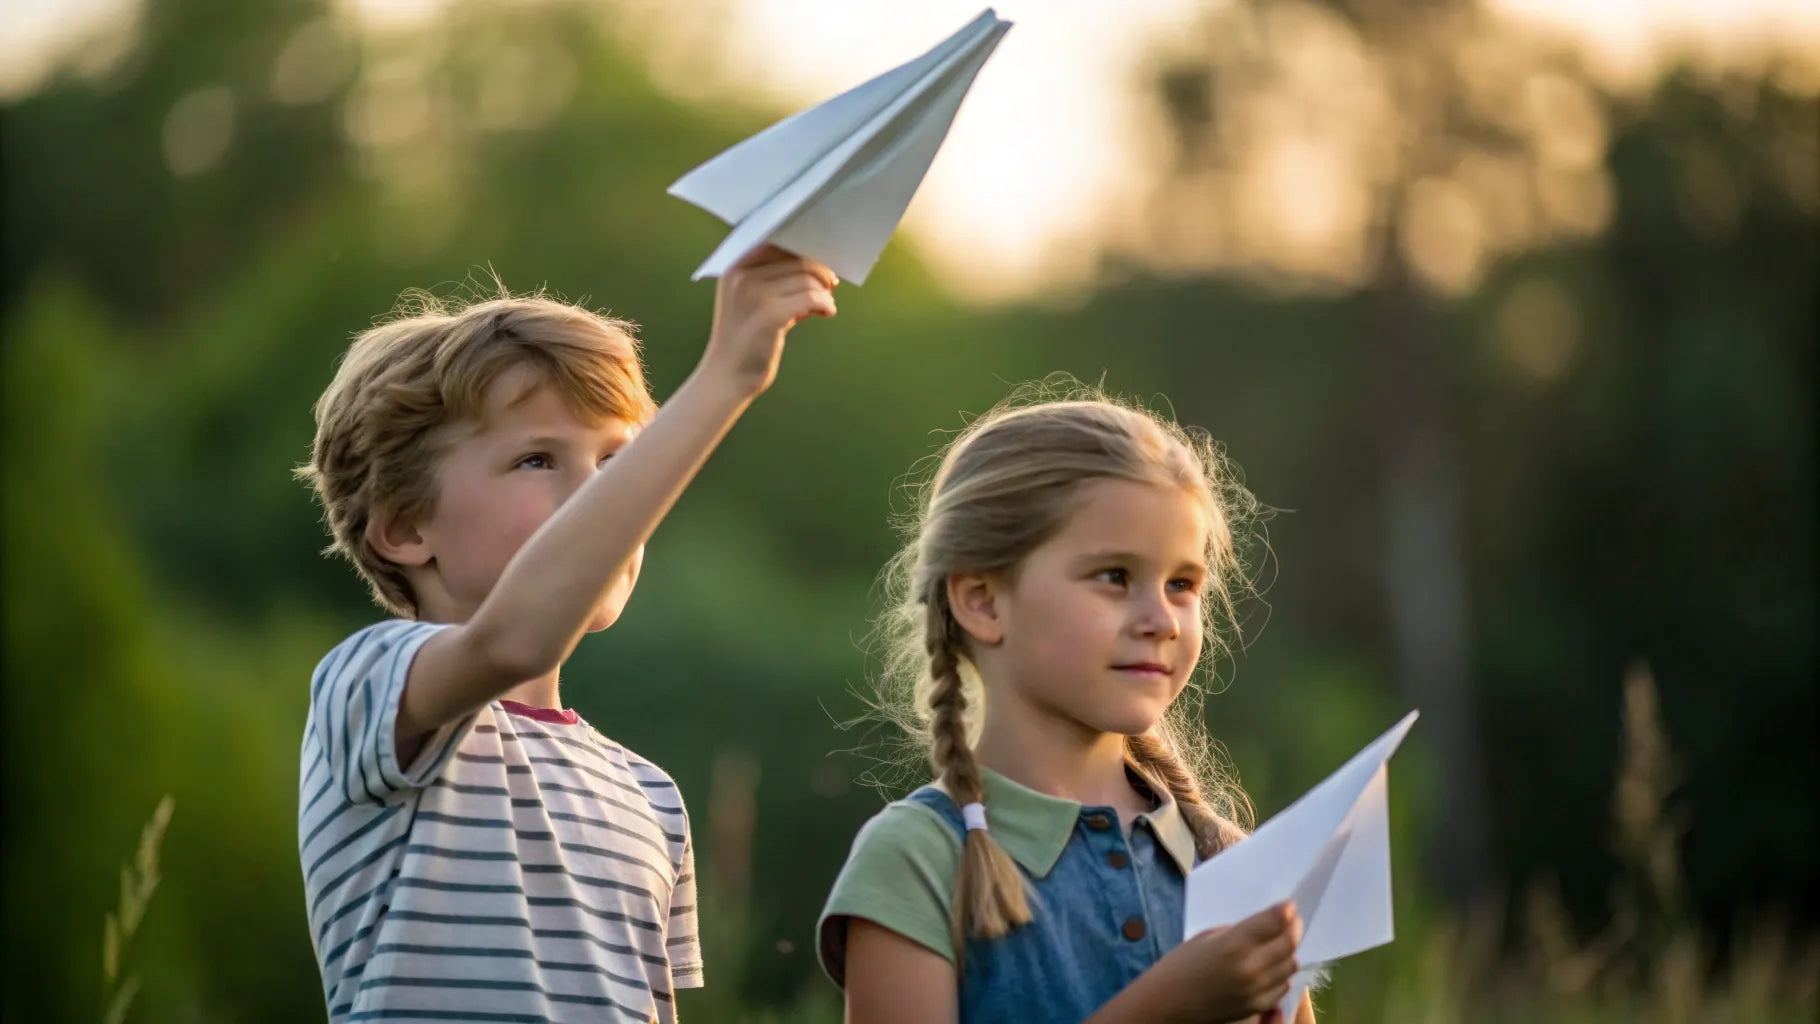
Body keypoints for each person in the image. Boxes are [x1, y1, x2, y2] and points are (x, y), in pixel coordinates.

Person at [295, 247, 837, 1022]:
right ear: (406, 528)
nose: (600, 496)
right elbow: (515, 641)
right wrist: (726, 378)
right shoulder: (369, 684)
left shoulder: (650, 795)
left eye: (619, 461)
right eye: (537, 459)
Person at [820, 382, 1315, 1023]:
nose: (1161, 619)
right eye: (1114, 576)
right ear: (982, 600)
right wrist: (1164, 1010)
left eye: (1182, 583)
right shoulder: (918, 859)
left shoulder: (1232, 862)